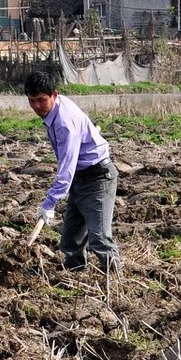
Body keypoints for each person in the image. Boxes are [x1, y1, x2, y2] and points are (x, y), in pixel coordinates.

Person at [24, 71, 121, 274]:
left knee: (100, 238)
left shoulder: (65, 124)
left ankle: (116, 281)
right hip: (81, 176)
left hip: (98, 178)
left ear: (54, 95)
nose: (36, 106)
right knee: (71, 239)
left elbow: (66, 169)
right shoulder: (55, 110)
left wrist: (49, 203)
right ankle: (74, 273)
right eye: (32, 101)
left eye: (41, 100)